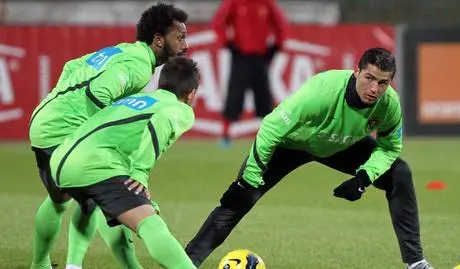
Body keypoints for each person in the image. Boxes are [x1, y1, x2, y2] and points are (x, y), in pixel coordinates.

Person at [185, 48, 434, 269]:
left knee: (400, 173)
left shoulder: (389, 104)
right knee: (240, 197)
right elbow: (272, 126)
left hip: (341, 144)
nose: (374, 89)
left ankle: (416, 262)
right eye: (369, 78)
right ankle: (187, 262)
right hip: (292, 143)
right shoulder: (322, 91)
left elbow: (389, 148)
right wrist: (250, 177)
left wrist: (363, 178)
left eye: (383, 83)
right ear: (356, 71)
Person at [28, 3, 189, 269]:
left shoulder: (124, 50)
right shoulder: (139, 65)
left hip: (45, 120)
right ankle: (73, 266)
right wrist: (97, 132)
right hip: (64, 128)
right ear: (159, 40)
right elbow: (99, 93)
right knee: (94, 196)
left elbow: (71, 67)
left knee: (60, 200)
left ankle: (40, 265)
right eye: (180, 37)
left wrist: (61, 102)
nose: (185, 44)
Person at [49, 56, 199, 269]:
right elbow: (163, 121)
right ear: (191, 93)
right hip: (95, 164)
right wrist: (139, 172)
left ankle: (73, 266)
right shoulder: (179, 108)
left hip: (62, 159)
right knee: (150, 223)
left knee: (97, 205)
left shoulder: (135, 99)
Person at [211, 0, 289, 146]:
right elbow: (218, 22)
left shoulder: (266, 3)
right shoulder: (235, 2)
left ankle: (269, 136)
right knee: (234, 96)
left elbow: (281, 24)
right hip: (241, 56)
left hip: (261, 58)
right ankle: (225, 136)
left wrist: (277, 45)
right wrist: (228, 43)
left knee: (264, 99)